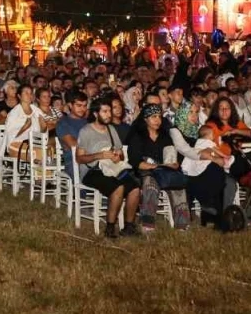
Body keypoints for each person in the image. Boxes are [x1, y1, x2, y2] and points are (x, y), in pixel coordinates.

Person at [77, 98, 142, 238]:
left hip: (112, 168)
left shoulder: (111, 129)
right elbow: (79, 158)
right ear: (95, 114)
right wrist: (99, 155)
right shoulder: (86, 131)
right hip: (92, 171)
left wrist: (118, 155)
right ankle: (110, 228)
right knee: (118, 187)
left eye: (109, 111)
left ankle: (129, 227)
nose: (108, 115)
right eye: (104, 111)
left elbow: (121, 154)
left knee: (135, 188)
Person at [125, 103, 191, 232]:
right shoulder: (137, 136)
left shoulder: (164, 136)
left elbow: (171, 155)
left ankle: (182, 224)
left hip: (164, 171)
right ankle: (147, 223)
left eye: (159, 117)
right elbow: (136, 162)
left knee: (178, 184)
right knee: (150, 183)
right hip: (144, 172)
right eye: (153, 117)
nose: (157, 120)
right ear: (145, 119)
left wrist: (174, 163)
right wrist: (157, 166)